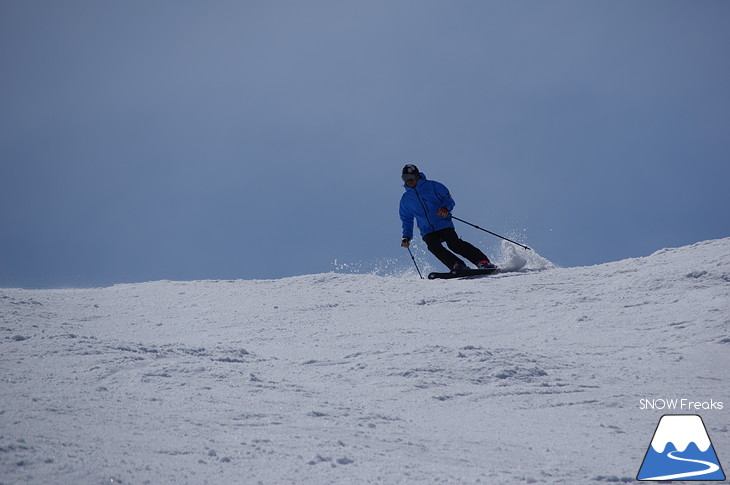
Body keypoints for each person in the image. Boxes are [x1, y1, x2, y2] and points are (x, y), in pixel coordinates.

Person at [399, 164, 496, 271]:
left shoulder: (433, 186)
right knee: (433, 247)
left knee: (454, 244)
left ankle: (482, 261)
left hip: (443, 223)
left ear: (417, 176)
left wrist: (445, 208)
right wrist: (406, 236)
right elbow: (407, 219)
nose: (409, 180)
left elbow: (448, 199)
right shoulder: (406, 199)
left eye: (411, 177)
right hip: (426, 229)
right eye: (406, 178)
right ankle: (457, 265)